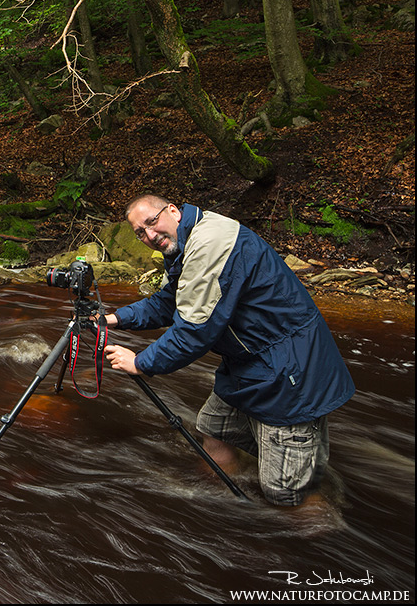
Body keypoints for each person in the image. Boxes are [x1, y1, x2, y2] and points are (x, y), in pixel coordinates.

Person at [99, 194, 355, 507]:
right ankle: (222, 507)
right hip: (249, 364)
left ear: (173, 212)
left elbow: (194, 330)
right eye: (140, 232)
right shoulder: (187, 242)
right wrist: (112, 318)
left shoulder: (210, 244)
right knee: (213, 429)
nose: (150, 236)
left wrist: (140, 362)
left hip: (288, 371)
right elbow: (170, 302)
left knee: (285, 493)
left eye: (152, 222)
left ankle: (310, 530)